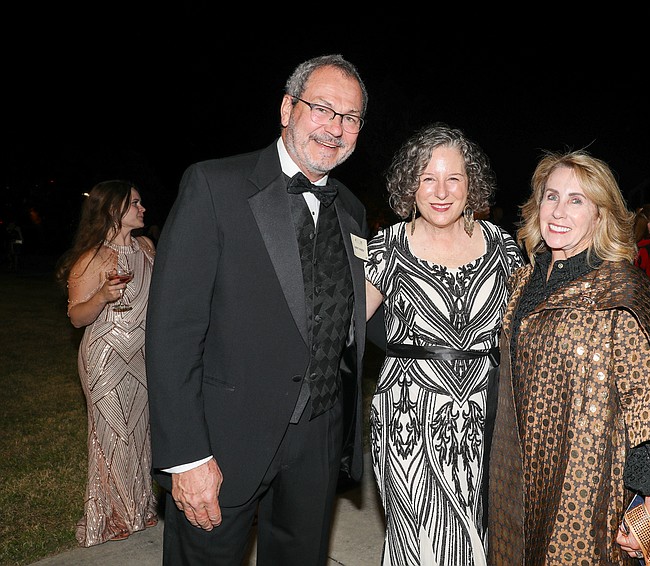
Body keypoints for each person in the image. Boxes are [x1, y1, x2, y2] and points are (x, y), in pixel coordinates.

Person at [145, 54, 370, 565]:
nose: (335, 127)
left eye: (350, 118)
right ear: (288, 108)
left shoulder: (353, 211)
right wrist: (186, 456)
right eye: (323, 108)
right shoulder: (214, 186)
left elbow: (353, 320)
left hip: (317, 440)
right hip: (224, 443)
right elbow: (172, 332)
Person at [487, 149, 650, 565]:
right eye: (552, 196)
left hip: (588, 479)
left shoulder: (620, 289)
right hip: (520, 471)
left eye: (577, 200)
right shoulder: (524, 279)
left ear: (600, 215)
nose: (559, 211)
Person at [364, 123, 524, 565]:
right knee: (415, 541)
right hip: (406, 418)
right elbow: (343, 324)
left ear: (471, 184)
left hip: (485, 415)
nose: (440, 191)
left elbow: (527, 330)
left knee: (479, 537)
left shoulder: (503, 248)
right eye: (427, 177)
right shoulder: (387, 247)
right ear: (409, 184)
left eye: (453, 178)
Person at [55, 180, 158, 546]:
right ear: (113, 210)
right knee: (112, 435)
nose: (142, 208)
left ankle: (138, 508)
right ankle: (110, 516)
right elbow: (77, 317)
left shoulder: (146, 248)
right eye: (134, 203)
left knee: (140, 432)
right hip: (105, 355)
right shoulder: (91, 259)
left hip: (143, 355)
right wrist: (101, 295)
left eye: (141, 202)